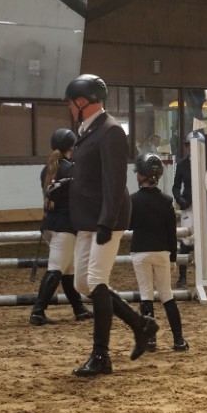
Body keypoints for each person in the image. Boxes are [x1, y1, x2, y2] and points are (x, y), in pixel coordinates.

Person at [65, 74, 159, 377]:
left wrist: (106, 221)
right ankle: (139, 323)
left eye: (71, 103)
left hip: (107, 218)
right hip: (88, 218)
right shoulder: (89, 130)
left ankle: (101, 355)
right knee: (82, 284)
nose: (70, 108)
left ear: (82, 102)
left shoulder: (110, 131)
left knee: (95, 280)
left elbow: (115, 182)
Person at [29, 128, 92, 326]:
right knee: (56, 268)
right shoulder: (71, 169)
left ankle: (79, 309)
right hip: (65, 226)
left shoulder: (48, 169)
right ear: (71, 147)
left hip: (49, 224)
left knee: (68, 269)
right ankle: (37, 312)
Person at [129, 153, 189, 352]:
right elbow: (171, 233)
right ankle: (178, 340)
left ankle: (150, 340)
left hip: (140, 251)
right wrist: (173, 258)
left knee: (146, 295)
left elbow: (129, 225)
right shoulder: (167, 201)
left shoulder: (133, 200)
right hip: (162, 251)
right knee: (167, 295)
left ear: (140, 176)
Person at [171, 130, 204, 288]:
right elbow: (176, 187)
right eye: (189, 145)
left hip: (204, 206)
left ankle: (203, 274)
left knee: (203, 241)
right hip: (188, 206)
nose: (191, 148)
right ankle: (182, 276)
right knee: (185, 241)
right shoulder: (182, 165)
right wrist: (179, 199)